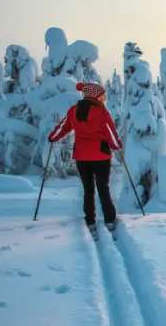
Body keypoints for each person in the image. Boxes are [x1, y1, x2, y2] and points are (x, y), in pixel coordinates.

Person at [48, 82, 123, 238]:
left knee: (88, 190)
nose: (103, 98)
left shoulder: (73, 111)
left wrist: (53, 137)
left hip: (82, 157)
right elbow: (110, 131)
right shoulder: (101, 111)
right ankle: (109, 220)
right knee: (103, 188)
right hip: (101, 156)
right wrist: (116, 146)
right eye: (102, 95)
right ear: (95, 96)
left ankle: (90, 221)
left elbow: (63, 127)